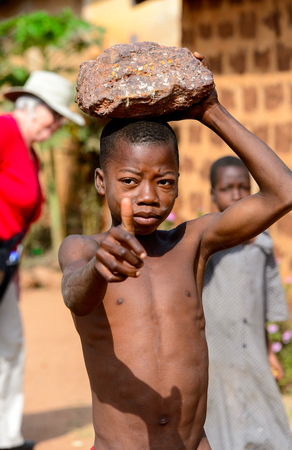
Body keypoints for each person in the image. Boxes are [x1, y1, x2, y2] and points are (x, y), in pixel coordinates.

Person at [59, 53, 292, 450]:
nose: (148, 196)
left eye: (164, 182)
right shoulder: (85, 249)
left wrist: (210, 111)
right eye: (130, 180)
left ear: (179, 184)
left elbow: (282, 193)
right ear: (102, 181)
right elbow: (74, 295)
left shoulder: (192, 244)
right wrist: (100, 269)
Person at [0, 70, 84, 450]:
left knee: (9, 343)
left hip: (4, 262)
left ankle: (3, 436)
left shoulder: (29, 152)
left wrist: (13, 273)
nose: (58, 124)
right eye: (56, 115)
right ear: (34, 108)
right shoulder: (2, 129)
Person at [202, 155, 292, 450]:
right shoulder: (206, 244)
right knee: (221, 413)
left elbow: (266, 300)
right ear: (213, 194)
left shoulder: (262, 244)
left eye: (244, 187)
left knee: (262, 408)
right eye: (228, 188)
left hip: (252, 347)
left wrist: (269, 351)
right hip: (216, 351)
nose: (237, 195)